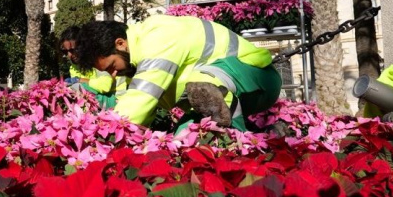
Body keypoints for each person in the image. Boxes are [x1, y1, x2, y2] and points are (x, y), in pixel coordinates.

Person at [74, 16, 281, 131]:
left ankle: (237, 139)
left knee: (203, 85)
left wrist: (106, 133)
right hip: (240, 90)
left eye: (111, 66)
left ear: (120, 43)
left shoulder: (156, 36)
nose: (112, 74)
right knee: (183, 135)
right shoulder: (134, 62)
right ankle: (267, 133)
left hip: (259, 79)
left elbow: (140, 100)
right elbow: (138, 113)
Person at [59, 26, 126, 107]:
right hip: (102, 98)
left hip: (119, 99)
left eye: (73, 50)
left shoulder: (98, 58)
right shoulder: (73, 67)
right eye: (65, 52)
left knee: (77, 87)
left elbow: (105, 86)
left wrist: (80, 80)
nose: (69, 55)